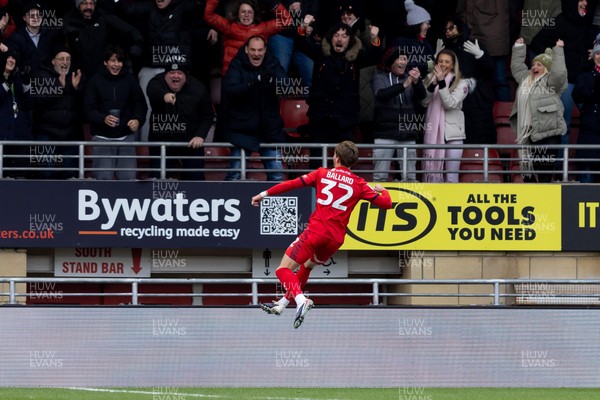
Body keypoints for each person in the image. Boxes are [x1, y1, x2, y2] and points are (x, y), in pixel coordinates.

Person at [252, 140, 392, 328]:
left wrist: (264, 194)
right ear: (353, 162)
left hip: (315, 232)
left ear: (335, 157)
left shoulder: (321, 174)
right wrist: (384, 190)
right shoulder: (359, 183)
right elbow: (386, 204)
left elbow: (291, 184)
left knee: (282, 270)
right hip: (335, 240)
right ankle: (282, 304)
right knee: (307, 266)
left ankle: (302, 301)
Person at [298, 21, 382, 168]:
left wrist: (374, 39)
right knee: (317, 163)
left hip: (345, 120)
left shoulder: (356, 58)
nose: (339, 39)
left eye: (344, 36)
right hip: (320, 118)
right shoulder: (321, 54)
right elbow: (301, 44)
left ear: (350, 39)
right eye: (336, 35)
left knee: (345, 163)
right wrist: (303, 28)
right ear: (331, 38)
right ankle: (315, 191)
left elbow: (375, 57)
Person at [221, 35, 286, 181]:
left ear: (265, 50)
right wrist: (254, 82)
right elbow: (229, 90)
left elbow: (285, 86)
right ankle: (230, 202)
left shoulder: (273, 64)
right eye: (253, 50)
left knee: (277, 175)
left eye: (260, 50)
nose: (256, 54)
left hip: (269, 130)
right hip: (242, 130)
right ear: (246, 50)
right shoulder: (237, 64)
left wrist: (273, 82)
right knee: (235, 174)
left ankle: (274, 203)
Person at [530, 0, 595, 145]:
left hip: (584, 79)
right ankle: (560, 165)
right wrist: (554, 60)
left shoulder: (586, 23)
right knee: (563, 125)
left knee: (591, 123)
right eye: (580, 0)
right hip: (567, 82)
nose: (585, 3)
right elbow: (536, 42)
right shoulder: (560, 22)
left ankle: (584, 162)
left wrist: (592, 53)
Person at [83, 45, 147, 180]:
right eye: (112, 60)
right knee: (103, 178)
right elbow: (88, 110)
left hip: (126, 137)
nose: (116, 64)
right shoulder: (94, 81)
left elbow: (140, 106)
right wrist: (103, 119)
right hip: (102, 138)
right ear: (105, 62)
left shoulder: (130, 80)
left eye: (119, 61)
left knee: (128, 179)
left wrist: (138, 120)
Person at [510, 38, 567, 182]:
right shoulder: (525, 79)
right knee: (528, 175)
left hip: (548, 135)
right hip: (528, 134)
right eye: (533, 64)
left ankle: (545, 202)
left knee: (544, 173)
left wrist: (558, 51)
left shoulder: (550, 81)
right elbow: (517, 66)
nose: (534, 67)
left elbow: (559, 73)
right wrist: (519, 47)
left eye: (539, 64)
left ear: (547, 68)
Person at [146, 62, 214, 181]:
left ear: (185, 75)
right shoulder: (156, 82)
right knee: (157, 181)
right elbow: (152, 89)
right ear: (165, 75)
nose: (175, 76)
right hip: (162, 142)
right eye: (171, 73)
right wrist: (164, 95)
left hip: (190, 142)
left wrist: (200, 135)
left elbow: (208, 115)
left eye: (179, 73)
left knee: (196, 181)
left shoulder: (198, 88)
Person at [371, 45, 425, 182]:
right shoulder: (379, 77)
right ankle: (377, 199)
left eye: (405, 59)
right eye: (399, 59)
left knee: (410, 176)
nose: (403, 62)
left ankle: (410, 199)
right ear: (391, 61)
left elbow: (421, 96)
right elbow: (381, 95)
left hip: (407, 130)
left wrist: (417, 82)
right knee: (380, 175)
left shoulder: (410, 78)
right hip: (385, 131)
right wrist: (403, 85)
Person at [440, 16, 496, 145]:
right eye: (446, 29)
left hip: (476, 96)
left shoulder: (473, 44)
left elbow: (491, 69)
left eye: (451, 28)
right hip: (456, 97)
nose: (448, 31)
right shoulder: (447, 50)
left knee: (479, 130)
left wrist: (480, 55)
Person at [31, 44, 84, 179]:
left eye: (68, 59)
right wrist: (58, 86)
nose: (65, 62)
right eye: (61, 59)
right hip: (46, 134)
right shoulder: (41, 75)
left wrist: (77, 89)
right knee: (46, 173)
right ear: (53, 61)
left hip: (71, 135)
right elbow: (38, 101)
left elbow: (86, 106)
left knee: (70, 175)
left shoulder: (76, 76)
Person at [203, 0, 292, 76]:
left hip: (254, 75)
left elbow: (287, 20)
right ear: (238, 14)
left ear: (254, 14)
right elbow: (208, 16)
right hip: (232, 74)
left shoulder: (263, 28)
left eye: (250, 12)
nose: (246, 15)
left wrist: (272, 3)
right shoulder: (229, 27)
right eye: (243, 12)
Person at [421, 48, 470, 183]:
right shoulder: (429, 78)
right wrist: (433, 84)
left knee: (451, 177)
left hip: (453, 135)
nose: (443, 64)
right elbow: (424, 102)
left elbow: (450, 104)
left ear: (453, 65)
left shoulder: (461, 83)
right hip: (433, 133)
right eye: (440, 61)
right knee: (432, 178)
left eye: (447, 62)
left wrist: (442, 83)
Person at [63, 0, 144, 78]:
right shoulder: (69, 20)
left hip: (102, 75)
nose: (89, 7)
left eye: (92, 3)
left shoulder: (102, 17)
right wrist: (65, 30)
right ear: (78, 5)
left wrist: (138, 43)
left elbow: (129, 30)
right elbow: (55, 32)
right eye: (84, 3)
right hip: (80, 76)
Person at [456, 0, 511, 102]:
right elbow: (462, 11)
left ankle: (503, 114)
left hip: (493, 37)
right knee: (476, 81)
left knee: (499, 80)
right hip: (475, 36)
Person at [0, 46, 33, 177]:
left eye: (14, 58)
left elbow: (30, 104)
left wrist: (26, 83)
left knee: (20, 174)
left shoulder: (18, 78)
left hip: (19, 135)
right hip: (2, 136)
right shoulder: (7, 79)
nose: (11, 60)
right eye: (8, 57)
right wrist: (7, 82)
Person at [570, 38, 600, 182]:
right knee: (586, 174)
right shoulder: (585, 75)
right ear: (593, 56)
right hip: (589, 129)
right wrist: (594, 86)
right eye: (598, 53)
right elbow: (578, 97)